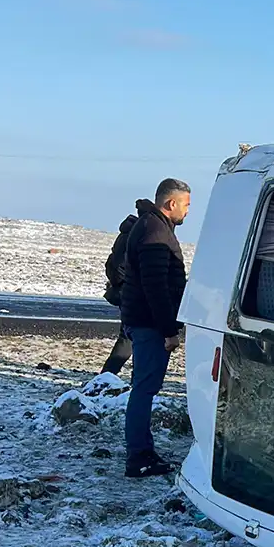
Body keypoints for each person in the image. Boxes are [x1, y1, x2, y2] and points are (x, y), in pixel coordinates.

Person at [119, 178, 192, 479]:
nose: (188, 212)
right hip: (149, 325)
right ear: (171, 203)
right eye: (186, 205)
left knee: (143, 387)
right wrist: (168, 331)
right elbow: (155, 287)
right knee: (144, 389)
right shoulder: (155, 232)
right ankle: (139, 457)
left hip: (143, 321)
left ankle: (142, 451)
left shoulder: (154, 227)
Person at [99, 213, 139, 377]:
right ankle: (109, 376)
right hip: (131, 295)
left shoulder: (125, 235)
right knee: (130, 339)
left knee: (128, 338)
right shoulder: (134, 235)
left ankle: (106, 376)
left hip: (126, 293)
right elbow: (121, 267)